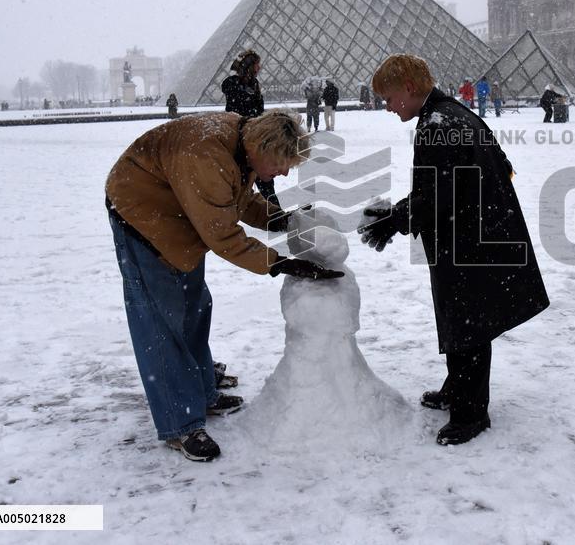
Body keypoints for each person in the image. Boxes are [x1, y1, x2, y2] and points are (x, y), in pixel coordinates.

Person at [106, 110, 343, 462]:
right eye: (280, 164)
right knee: (161, 322)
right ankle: (180, 424)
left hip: (182, 212)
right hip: (143, 212)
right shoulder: (205, 156)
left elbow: (237, 198)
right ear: (261, 149)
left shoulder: (241, 143)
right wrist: (280, 264)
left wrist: (280, 218)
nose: (283, 173)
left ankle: (202, 392)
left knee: (194, 307)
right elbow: (223, 235)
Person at [358, 54, 549, 446]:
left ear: (409, 88)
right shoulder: (450, 113)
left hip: (470, 239)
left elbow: (434, 196)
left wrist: (392, 220)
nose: (387, 106)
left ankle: (470, 413)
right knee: (461, 316)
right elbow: (494, 167)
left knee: (467, 322)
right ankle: (457, 388)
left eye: (389, 98)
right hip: (475, 232)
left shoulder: (439, 124)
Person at [221, 50, 276, 205]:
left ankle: (274, 211)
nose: (260, 67)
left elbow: (258, 109)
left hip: (255, 136)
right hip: (238, 138)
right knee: (241, 178)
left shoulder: (254, 84)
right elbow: (236, 111)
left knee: (264, 180)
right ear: (249, 65)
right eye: (257, 64)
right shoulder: (232, 83)